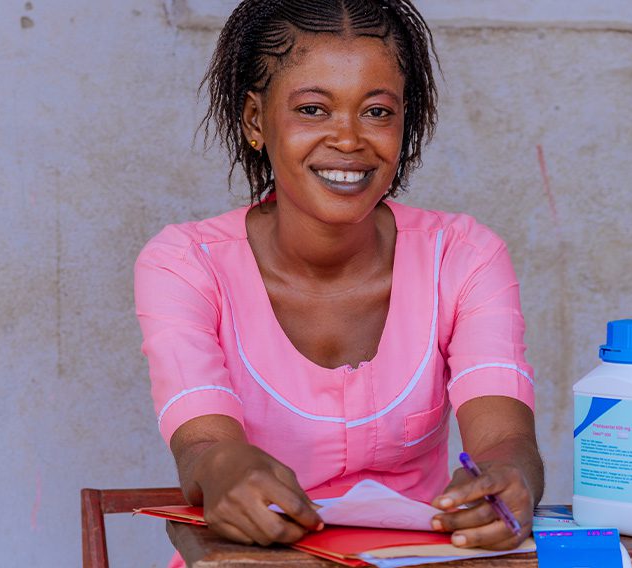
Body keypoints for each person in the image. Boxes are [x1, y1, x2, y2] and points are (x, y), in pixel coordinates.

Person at [134, 0, 544, 563]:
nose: (349, 140)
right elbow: (204, 447)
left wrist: (509, 480)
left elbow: (505, 440)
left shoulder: (464, 257)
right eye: (312, 109)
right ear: (256, 120)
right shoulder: (186, 264)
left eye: (377, 112)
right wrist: (223, 468)